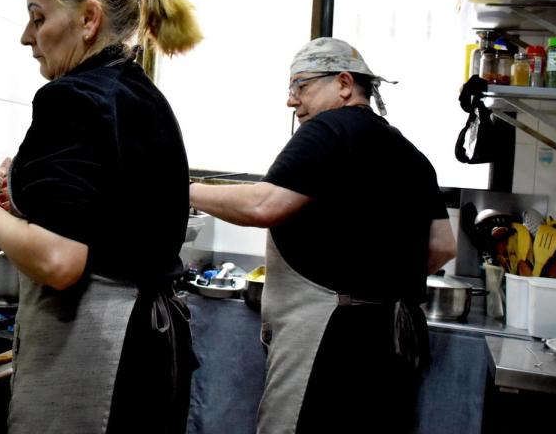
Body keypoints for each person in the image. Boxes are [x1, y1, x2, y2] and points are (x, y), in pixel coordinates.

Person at [0, 0, 203, 434]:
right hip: (151, 352)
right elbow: (106, 214)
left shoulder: (72, 97)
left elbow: (59, 261)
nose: (27, 36)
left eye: (38, 17)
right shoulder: (140, 93)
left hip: (98, 357)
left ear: (89, 19)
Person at [189, 37, 456, 434]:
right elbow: (443, 246)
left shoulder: (328, 129)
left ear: (344, 84)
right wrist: (378, 280)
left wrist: (182, 189)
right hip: (395, 339)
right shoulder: (410, 152)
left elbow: (263, 205)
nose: (291, 101)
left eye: (301, 85)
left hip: (329, 338)